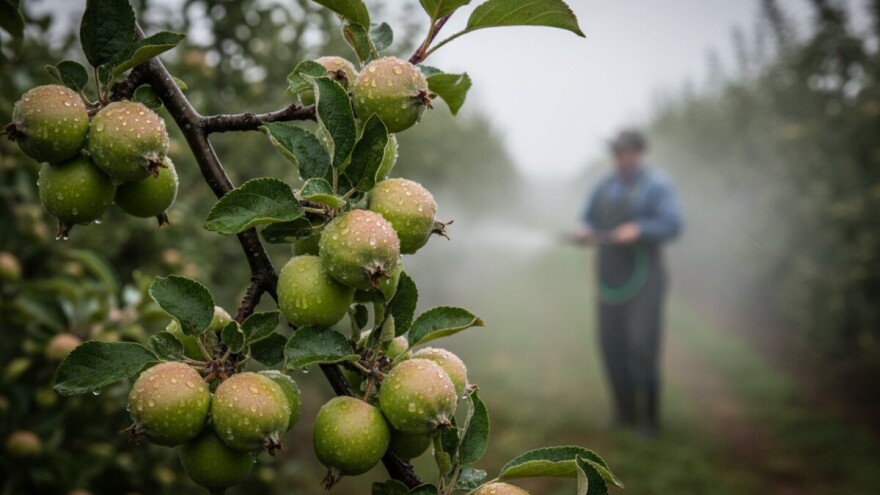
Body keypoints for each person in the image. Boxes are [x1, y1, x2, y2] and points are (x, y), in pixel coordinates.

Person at [574, 129, 682, 437]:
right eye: (616, 152)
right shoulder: (604, 185)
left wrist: (639, 229)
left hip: (645, 276)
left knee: (642, 343)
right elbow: (588, 218)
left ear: (638, 152)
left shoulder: (657, 185)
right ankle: (623, 412)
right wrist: (583, 230)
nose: (620, 157)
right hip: (609, 276)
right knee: (610, 343)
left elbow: (674, 224)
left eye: (626, 151)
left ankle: (649, 419)